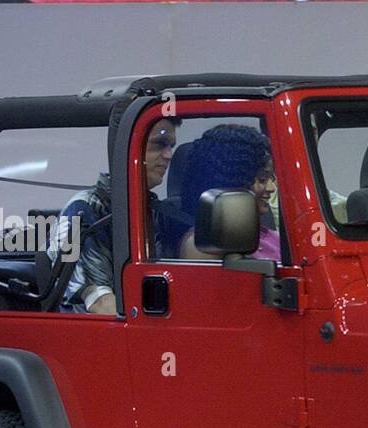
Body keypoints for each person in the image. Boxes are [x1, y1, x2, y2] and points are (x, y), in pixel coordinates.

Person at [50, 117, 180, 313]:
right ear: (129, 150)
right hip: (94, 338)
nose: (169, 155)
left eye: (171, 146)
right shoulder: (86, 209)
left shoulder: (152, 210)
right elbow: (100, 304)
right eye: (159, 144)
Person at [178, 124, 280, 261]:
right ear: (232, 182)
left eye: (271, 178)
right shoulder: (204, 246)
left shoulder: (275, 238)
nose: (271, 187)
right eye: (262, 179)